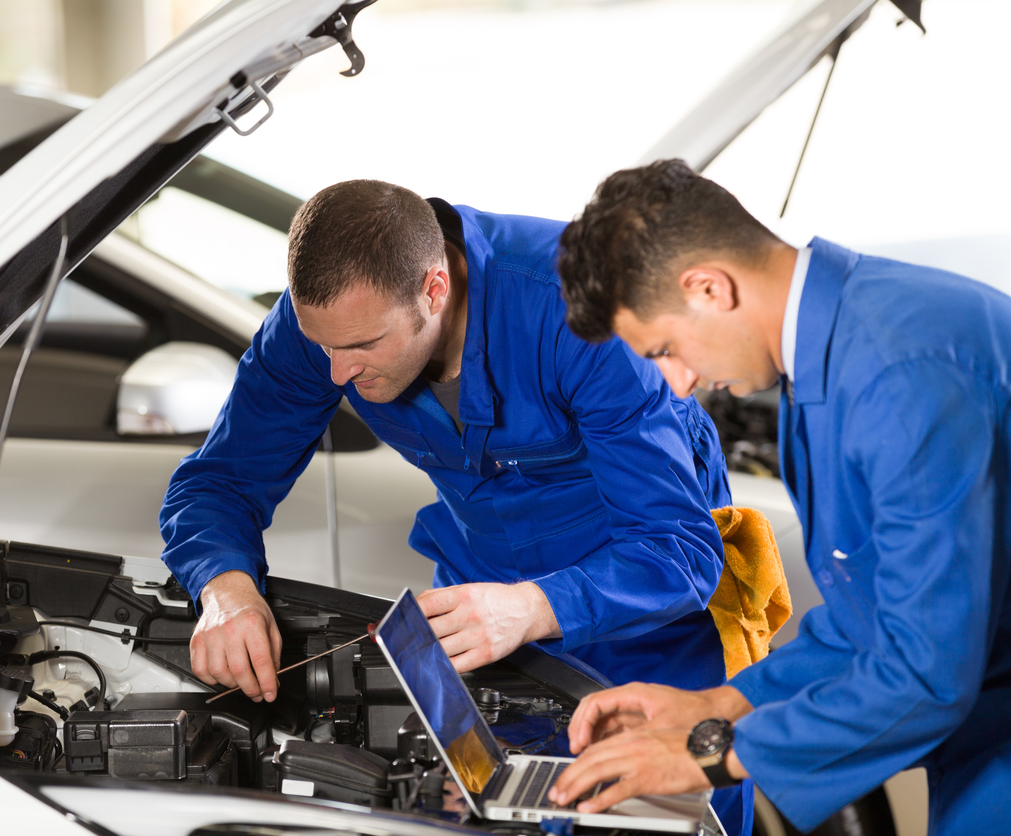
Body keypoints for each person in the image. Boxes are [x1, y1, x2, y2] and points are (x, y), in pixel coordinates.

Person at [160, 179, 751, 835]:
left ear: (435, 289)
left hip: (642, 622)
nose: (335, 371)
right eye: (323, 346)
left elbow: (678, 550)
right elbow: (218, 480)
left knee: (674, 819)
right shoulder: (331, 323)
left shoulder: (581, 308)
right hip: (484, 609)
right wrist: (225, 589)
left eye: (361, 348)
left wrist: (530, 606)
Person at [547, 159, 1011, 836]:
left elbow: (925, 671)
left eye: (666, 349)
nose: (678, 384)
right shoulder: (829, 353)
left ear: (708, 287)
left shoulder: (899, 372)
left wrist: (710, 754)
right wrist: (721, 703)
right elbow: (871, 620)